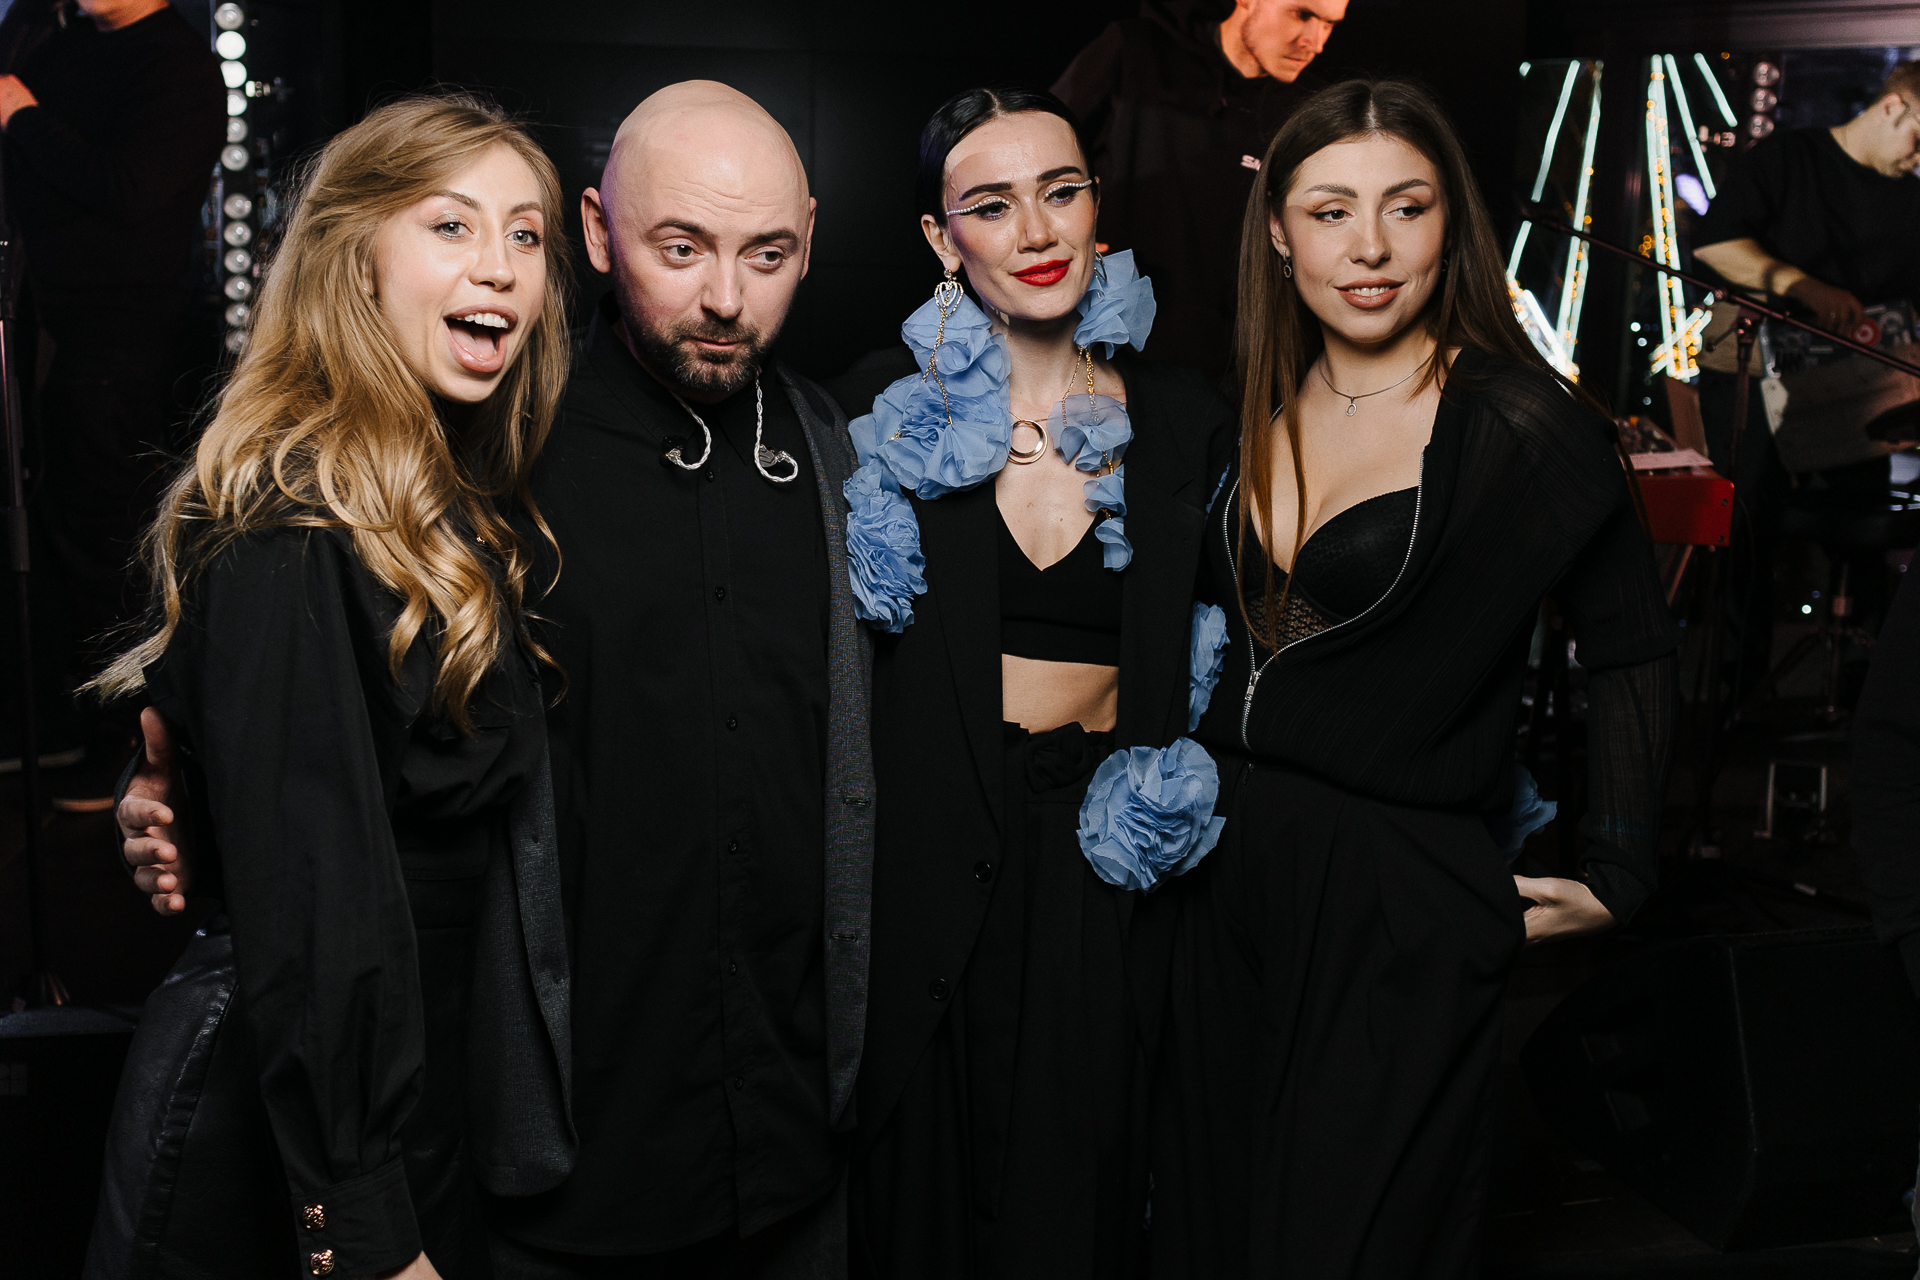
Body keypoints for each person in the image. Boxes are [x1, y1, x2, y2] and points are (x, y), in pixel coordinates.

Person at [122, 80, 872, 1276]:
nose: (726, 295)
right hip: (482, 1154)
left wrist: (179, 762)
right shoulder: (418, 474)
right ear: (604, 233)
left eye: (518, 234)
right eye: (451, 225)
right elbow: (306, 811)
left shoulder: (818, 450)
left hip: (773, 1154)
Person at [1149, 79, 1678, 1278]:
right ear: (1278, 232)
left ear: (1452, 223)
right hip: (1222, 880)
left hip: (1397, 890)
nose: (1371, 247)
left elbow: (1634, 643)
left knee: (1349, 1246)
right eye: (1331, 211)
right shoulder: (1254, 402)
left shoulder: (1519, 422)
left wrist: (1621, 867)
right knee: (1208, 1231)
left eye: (1407, 205)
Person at [86, 93, 576, 1280]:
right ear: (356, 259)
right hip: (294, 1130)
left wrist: (183, 797)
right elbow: (317, 896)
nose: (501, 266)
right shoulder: (296, 515)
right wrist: (362, 1221)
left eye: (525, 233)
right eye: (452, 225)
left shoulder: (446, 495)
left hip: (402, 1101)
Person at [837, 87, 1233, 1278]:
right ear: (940, 236)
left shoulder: (1187, 422)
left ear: (1097, 206)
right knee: (921, 1199)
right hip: (931, 846)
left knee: (1082, 1192)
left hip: (1107, 858)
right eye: (992, 204)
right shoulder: (880, 410)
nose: (1037, 229)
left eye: (1061, 191)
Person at [0, 0, 223, 802]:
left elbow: (129, 190)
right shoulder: (57, 46)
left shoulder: (178, 67)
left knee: (111, 546)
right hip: (48, 335)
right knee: (54, 537)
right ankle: (62, 726)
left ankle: (128, 746)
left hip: (124, 347)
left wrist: (24, 118)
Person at [1691, 62, 1920, 699]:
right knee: (1745, 525)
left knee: (1863, 535)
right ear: (1892, 107)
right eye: (1919, 139)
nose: (1918, 158)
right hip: (1752, 374)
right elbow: (1715, 246)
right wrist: (1805, 288)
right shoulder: (1789, 159)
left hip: (1858, 394)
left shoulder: (1911, 201)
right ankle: (1733, 691)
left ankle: (1858, 694)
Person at [1050, 0, 1347, 374]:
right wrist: (1063, 235)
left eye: (1329, 25)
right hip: (1114, 353)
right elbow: (1034, 149)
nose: (1315, 42)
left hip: (1236, 370)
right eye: (1302, 15)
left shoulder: (1310, 110)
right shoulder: (1136, 51)